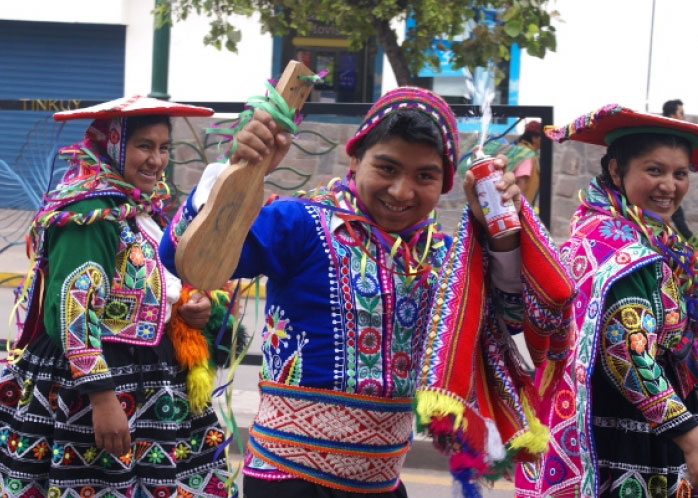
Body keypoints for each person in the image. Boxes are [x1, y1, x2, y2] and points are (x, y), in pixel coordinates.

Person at [160, 87, 573, 497]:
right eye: (387, 169)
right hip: (289, 482)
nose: (401, 191)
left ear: (446, 183)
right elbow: (184, 257)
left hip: (382, 483)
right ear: (354, 158)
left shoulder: (443, 259)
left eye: (424, 176)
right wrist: (239, 175)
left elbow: (515, 320)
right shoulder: (301, 224)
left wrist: (499, 233)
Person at [0, 96, 238, 497]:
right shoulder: (90, 213)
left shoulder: (144, 209)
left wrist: (195, 307)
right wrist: (103, 399)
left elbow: (165, 281)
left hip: (153, 379)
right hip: (94, 388)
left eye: (163, 148)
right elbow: (75, 306)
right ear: (112, 145)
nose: (156, 160)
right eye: (144, 146)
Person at [515, 104, 698, 497]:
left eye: (679, 174)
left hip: (651, 429)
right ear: (616, 170)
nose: (669, 185)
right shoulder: (618, 250)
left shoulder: (649, 241)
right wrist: (690, 437)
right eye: (655, 170)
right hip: (624, 440)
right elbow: (629, 353)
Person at [662, 99, 694, 240]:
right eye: (681, 112)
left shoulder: (678, 135)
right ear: (672, 114)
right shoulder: (660, 134)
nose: (684, 116)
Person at [512, 120, 542, 204]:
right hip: (521, 209)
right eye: (542, 137)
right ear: (534, 138)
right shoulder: (527, 154)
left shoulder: (521, 149)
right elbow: (522, 182)